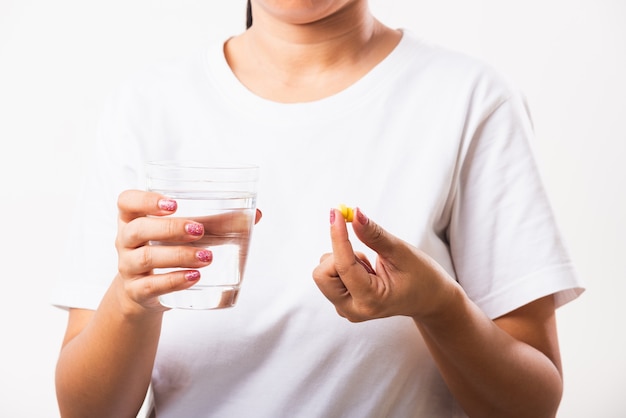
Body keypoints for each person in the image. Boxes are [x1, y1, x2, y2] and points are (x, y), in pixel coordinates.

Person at [52, 1, 585, 417]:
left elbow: (530, 408)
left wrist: (440, 307)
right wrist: (132, 302)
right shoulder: (147, 106)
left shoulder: (470, 100)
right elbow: (86, 412)